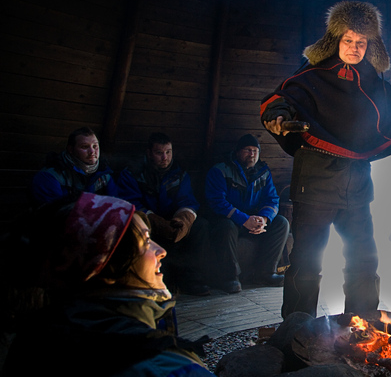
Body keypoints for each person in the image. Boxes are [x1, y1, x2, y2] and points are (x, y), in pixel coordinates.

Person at [0, 193, 263, 377]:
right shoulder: (161, 375)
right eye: (146, 243)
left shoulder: (33, 340)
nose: (161, 251)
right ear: (107, 266)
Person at [260, 0, 391, 318]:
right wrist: (279, 115)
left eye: (361, 42)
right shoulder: (312, 75)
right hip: (315, 179)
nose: (354, 47)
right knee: (307, 261)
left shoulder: (373, 82)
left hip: (357, 182)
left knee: (364, 259)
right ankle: (296, 327)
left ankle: (362, 324)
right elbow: (285, 99)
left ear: (370, 44)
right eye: (349, 40)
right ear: (336, 39)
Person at [117, 132, 211, 296]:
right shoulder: (133, 173)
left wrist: (183, 220)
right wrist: (156, 222)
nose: (165, 157)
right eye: (159, 153)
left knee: (201, 226)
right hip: (147, 222)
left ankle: (192, 279)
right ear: (149, 153)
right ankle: (156, 281)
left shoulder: (179, 174)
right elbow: (130, 202)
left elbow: (187, 200)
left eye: (168, 152)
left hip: (173, 221)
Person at [205, 133, 289, 293]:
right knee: (226, 227)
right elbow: (217, 202)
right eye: (247, 150)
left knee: (281, 223)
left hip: (254, 218)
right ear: (237, 152)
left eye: (255, 151)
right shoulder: (221, 170)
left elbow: (272, 199)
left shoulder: (263, 172)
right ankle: (229, 277)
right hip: (228, 218)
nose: (251, 154)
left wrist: (264, 219)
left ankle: (265, 273)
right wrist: (244, 219)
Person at [29, 126, 119, 207]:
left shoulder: (104, 175)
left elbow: (116, 205)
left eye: (95, 146)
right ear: (71, 149)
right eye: (85, 147)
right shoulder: (50, 176)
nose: (92, 151)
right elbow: (52, 214)